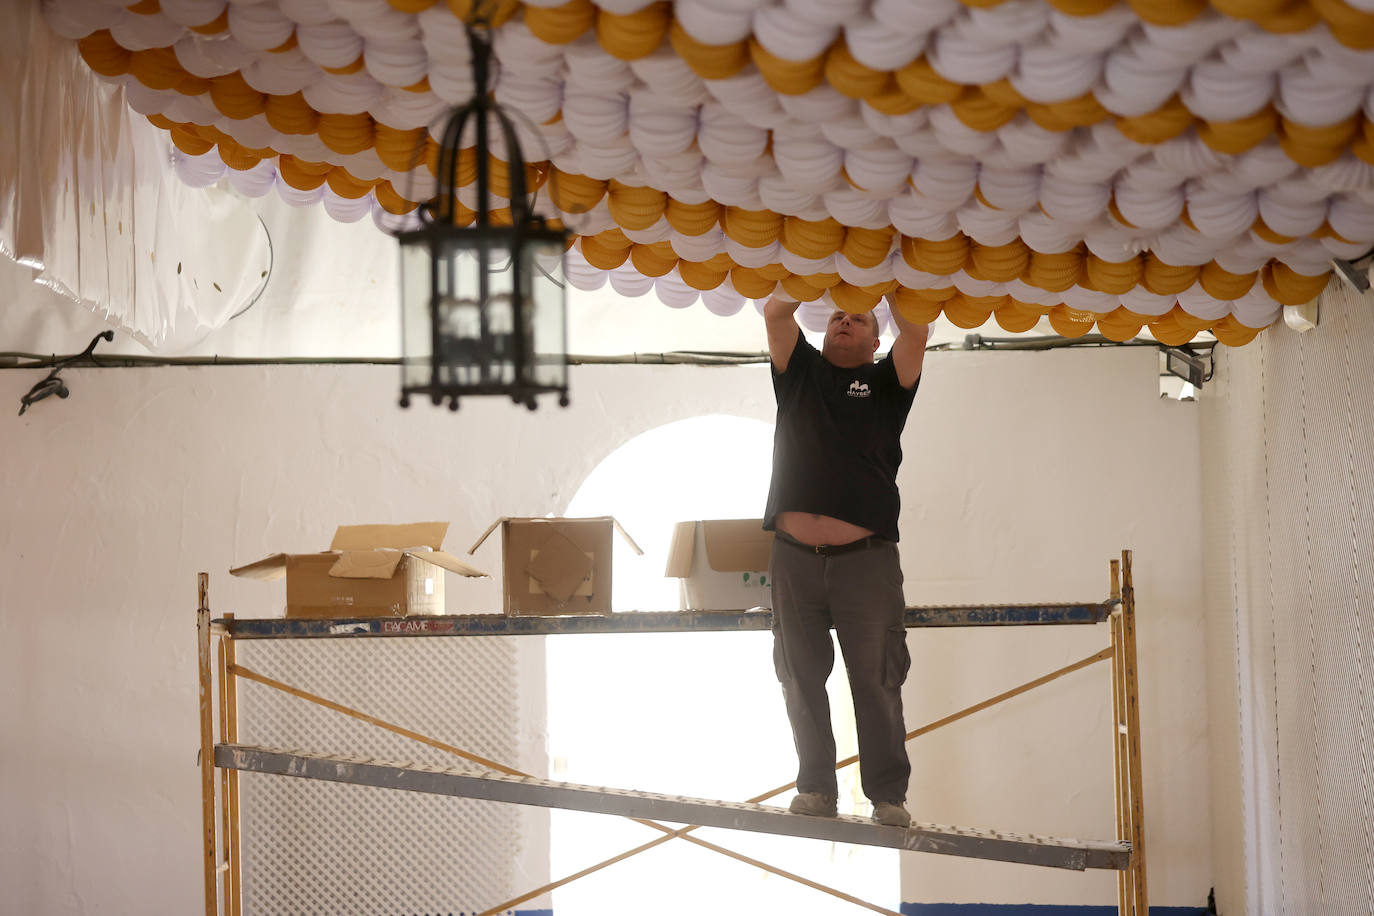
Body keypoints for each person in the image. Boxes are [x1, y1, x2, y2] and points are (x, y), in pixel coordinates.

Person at [761, 295, 929, 828]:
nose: (845, 320)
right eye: (837, 315)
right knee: (799, 676)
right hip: (793, 561)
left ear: (875, 342)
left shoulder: (887, 385)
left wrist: (882, 282)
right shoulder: (800, 371)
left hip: (866, 562)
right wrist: (818, 270)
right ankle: (815, 787)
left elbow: (917, 333)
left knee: (877, 678)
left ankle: (887, 796)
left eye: (858, 319)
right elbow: (775, 314)